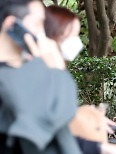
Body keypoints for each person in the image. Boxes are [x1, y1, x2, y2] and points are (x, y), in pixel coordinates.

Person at [45, 5, 116, 154]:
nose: (76, 42)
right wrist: (100, 148)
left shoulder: (57, 74)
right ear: (52, 35)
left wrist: (87, 115)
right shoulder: (36, 75)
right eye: (71, 35)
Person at [0, 0, 82, 154]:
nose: (43, 34)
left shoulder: (20, 73)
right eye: (38, 24)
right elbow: (52, 121)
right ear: (12, 25)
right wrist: (55, 70)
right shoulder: (9, 80)